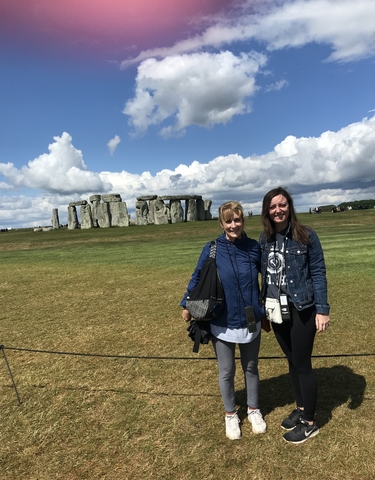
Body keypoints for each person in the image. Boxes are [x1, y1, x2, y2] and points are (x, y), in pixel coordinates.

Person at [180, 201, 266, 440]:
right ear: (221, 223)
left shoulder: (253, 248)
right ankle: (230, 414)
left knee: (251, 367)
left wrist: (265, 309)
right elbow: (197, 276)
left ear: (243, 221)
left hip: (250, 318)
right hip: (222, 318)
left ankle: (253, 409)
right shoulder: (212, 248)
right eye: (228, 221)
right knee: (226, 371)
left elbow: (267, 278)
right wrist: (186, 303)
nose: (233, 225)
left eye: (237, 220)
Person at [260, 187, 330, 444]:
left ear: (289, 206)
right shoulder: (264, 239)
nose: (278, 210)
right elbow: (264, 277)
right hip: (276, 309)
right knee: (291, 361)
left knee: (302, 363)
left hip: (302, 308)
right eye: (272, 206)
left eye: (282, 205)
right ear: (267, 211)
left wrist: (322, 310)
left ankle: (310, 423)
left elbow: (318, 273)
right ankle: (301, 409)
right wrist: (263, 311)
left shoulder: (306, 235)